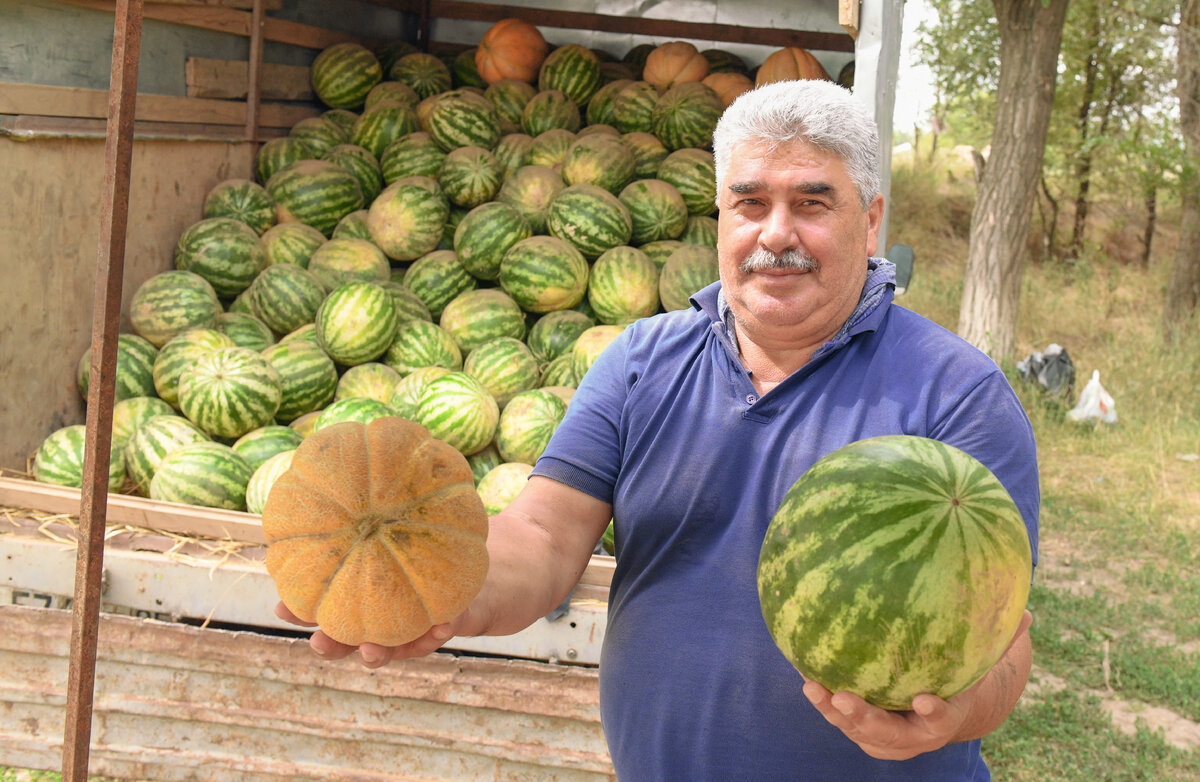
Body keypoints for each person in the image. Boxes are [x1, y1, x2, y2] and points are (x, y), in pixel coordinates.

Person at [278, 78, 1040, 780]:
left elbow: (1003, 642)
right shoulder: (640, 362)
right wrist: (444, 594)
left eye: (813, 204)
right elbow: (543, 538)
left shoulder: (957, 395)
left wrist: (951, 718)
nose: (777, 233)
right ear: (720, 216)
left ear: (870, 221)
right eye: (749, 203)